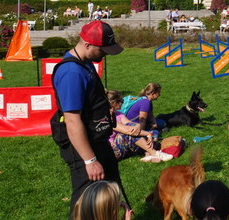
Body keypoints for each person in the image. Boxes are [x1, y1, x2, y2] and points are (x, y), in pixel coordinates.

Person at [51, 21, 124, 213]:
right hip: (83, 149)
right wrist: (90, 161)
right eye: (103, 49)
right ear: (87, 44)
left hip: (96, 141)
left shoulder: (85, 63)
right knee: (85, 205)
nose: (105, 53)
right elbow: (72, 120)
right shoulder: (71, 72)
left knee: (105, 198)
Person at [106, 90, 172, 163]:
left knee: (153, 132)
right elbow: (127, 130)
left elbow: (133, 125)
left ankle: (148, 154)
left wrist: (147, 133)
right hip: (111, 151)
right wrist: (147, 134)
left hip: (124, 146)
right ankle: (155, 153)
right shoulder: (107, 117)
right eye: (122, 100)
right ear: (115, 103)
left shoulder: (119, 114)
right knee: (129, 133)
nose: (123, 103)